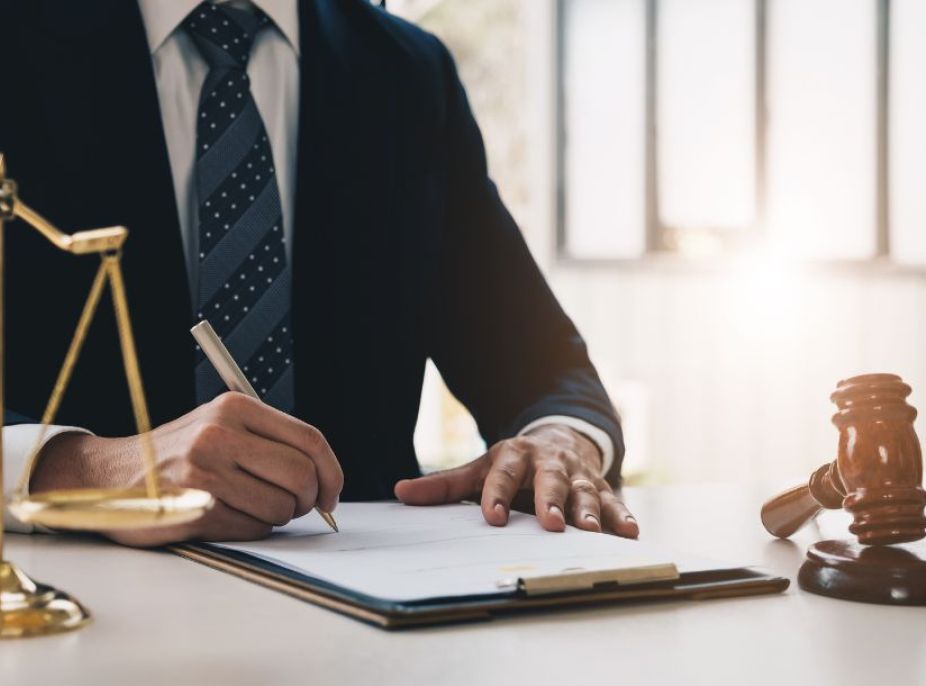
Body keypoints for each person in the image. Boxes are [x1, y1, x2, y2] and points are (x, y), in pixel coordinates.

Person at [0, 0, 636, 545]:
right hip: (74, 621)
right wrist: (87, 470)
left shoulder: (409, 73)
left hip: (368, 622)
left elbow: (544, 371)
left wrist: (559, 442)